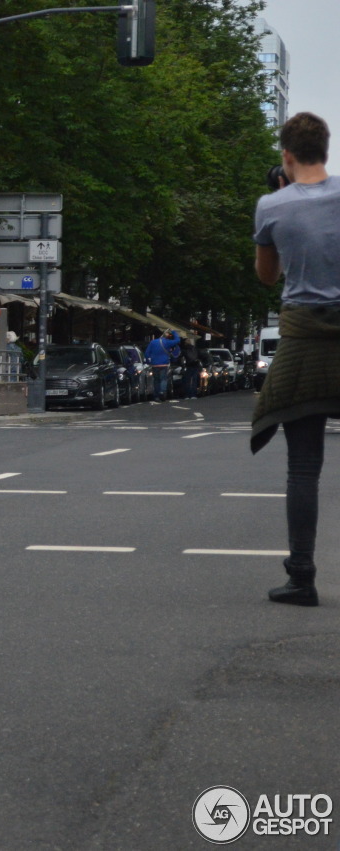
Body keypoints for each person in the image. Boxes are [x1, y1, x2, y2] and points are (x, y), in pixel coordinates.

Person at [250, 111, 340, 607]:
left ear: (286, 156)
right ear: (325, 151)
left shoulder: (271, 205)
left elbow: (267, 276)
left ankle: (301, 576)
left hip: (304, 340)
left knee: (304, 467)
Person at [144, 330, 181, 402]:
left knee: (156, 380)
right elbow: (177, 340)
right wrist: (174, 333)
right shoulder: (167, 342)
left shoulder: (152, 342)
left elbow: (147, 353)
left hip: (154, 364)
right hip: (164, 363)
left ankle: (156, 396)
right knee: (163, 379)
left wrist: (149, 361)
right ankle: (162, 392)